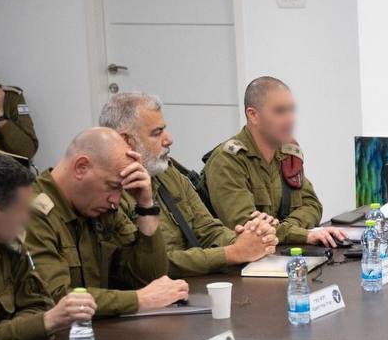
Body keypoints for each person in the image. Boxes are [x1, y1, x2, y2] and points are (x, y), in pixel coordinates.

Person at [98, 92, 278, 276]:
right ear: (127, 141)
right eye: (157, 133)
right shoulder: (109, 192)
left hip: (191, 283)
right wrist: (231, 253)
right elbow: (146, 266)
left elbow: (207, 230)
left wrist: (248, 238)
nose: (168, 140)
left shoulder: (167, 172)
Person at [24, 128, 188, 317]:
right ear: (81, 167)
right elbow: (56, 299)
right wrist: (139, 299)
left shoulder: (101, 208)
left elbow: (149, 278)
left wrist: (146, 207)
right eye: (113, 186)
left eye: (121, 190)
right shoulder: (30, 212)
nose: (116, 201)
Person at [0, 150, 96, 340]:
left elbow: (38, 304)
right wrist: (46, 322)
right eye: (21, 210)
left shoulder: (10, 246)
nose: (27, 218)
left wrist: (4, 336)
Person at [203, 76, 345, 249]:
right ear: (253, 115)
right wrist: (301, 234)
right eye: (279, 111)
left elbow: (312, 205)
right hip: (243, 261)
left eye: (291, 110)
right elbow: (247, 226)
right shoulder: (227, 160)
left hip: (280, 252)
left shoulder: (287, 152)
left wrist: (286, 228)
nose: (290, 119)